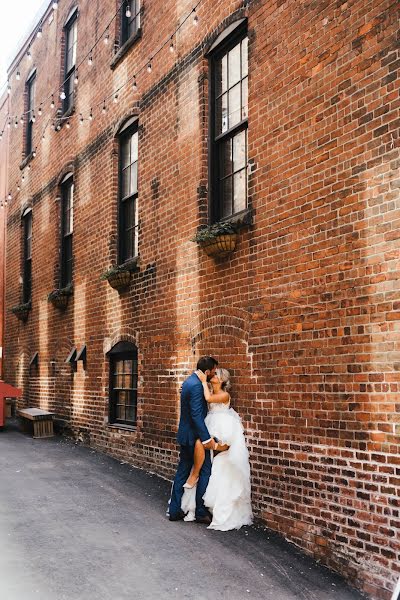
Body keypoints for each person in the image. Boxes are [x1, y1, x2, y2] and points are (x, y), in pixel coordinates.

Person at [181, 368, 253, 531]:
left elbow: (208, 398)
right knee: (201, 442)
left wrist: (201, 381)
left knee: (219, 447)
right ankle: (195, 474)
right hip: (210, 421)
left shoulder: (224, 395)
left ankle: (199, 470)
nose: (212, 377)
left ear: (221, 380)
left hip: (223, 423)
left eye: (216, 375)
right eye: (212, 375)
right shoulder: (208, 388)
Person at [168, 356, 220, 524]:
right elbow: (196, 415)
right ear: (207, 371)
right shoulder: (197, 386)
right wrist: (206, 439)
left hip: (185, 435)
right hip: (194, 438)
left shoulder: (189, 381)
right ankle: (200, 512)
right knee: (205, 470)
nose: (214, 373)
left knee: (183, 471)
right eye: (213, 371)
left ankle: (175, 510)